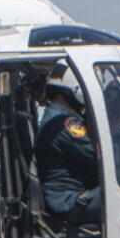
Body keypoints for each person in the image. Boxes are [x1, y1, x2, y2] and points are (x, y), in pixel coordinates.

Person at [36, 66, 102, 224]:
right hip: (70, 202)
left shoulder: (57, 117)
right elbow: (100, 160)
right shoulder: (63, 124)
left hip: (71, 199)